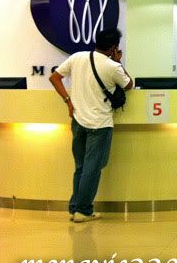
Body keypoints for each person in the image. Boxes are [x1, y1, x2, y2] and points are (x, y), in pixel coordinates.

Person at [48, 28, 133, 223]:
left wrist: (68, 101)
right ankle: (83, 211)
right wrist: (118, 61)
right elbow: (129, 85)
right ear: (113, 48)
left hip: (78, 121)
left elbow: (54, 78)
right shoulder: (113, 67)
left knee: (81, 167)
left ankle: (74, 208)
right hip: (100, 124)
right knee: (92, 169)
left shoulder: (77, 57)